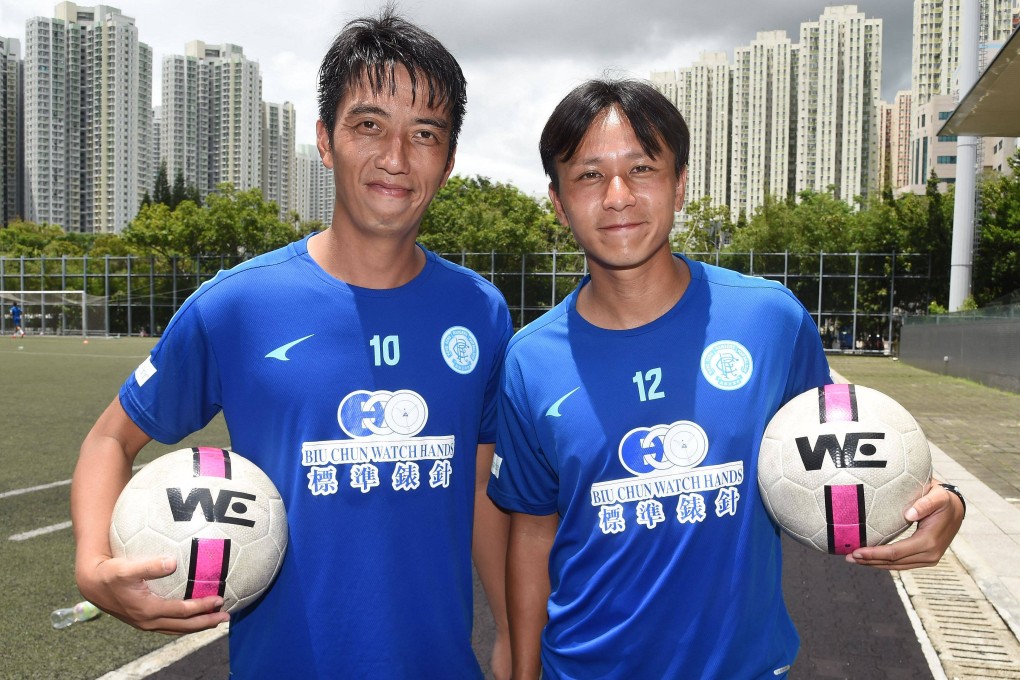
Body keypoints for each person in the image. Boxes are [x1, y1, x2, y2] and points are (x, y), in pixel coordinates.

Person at [72, 11, 511, 679]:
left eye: (424, 134)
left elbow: (479, 490)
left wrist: (510, 634)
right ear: (325, 141)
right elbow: (109, 441)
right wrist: (92, 564)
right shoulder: (238, 304)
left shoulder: (479, 312)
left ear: (447, 161)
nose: (395, 157)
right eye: (369, 125)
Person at [486, 78, 965, 679]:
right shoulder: (530, 359)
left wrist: (944, 501)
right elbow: (531, 533)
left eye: (641, 168)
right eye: (588, 175)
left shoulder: (770, 320)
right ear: (557, 202)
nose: (617, 196)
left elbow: (845, 450)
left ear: (680, 184)